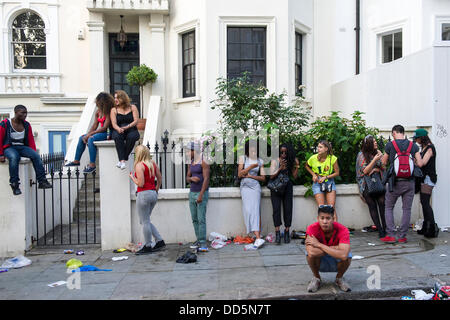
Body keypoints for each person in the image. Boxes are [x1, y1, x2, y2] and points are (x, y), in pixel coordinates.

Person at [380, 125, 424, 244]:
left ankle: (390, 235)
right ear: (403, 132)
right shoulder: (413, 145)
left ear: (394, 133)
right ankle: (402, 236)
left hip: (394, 182)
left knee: (388, 207)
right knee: (407, 209)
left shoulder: (390, 145)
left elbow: (383, 163)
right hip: (409, 182)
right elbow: (420, 163)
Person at [0, 105, 52, 195]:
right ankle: (14, 184)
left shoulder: (26, 124)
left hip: (22, 147)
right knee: (14, 157)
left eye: (26, 113)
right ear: (16, 112)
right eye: (22, 112)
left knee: (36, 156)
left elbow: (31, 140)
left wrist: (33, 152)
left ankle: (42, 181)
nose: (25, 115)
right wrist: (1, 154)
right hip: (9, 147)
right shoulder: (5, 123)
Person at [305, 205, 352, 293]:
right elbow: (311, 252)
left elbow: (343, 255)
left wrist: (319, 245)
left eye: (328, 218)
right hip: (320, 260)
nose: (325, 221)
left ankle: (339, 278)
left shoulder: (343, 229)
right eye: (322, 218)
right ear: (317, 218)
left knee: (348, 256)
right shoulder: (312, 228)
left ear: (333, 219)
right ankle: (317, 278)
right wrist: (336, 248)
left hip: (336, 260)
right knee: (309, 255)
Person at [129, 145, 165, 255]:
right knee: (146, 220)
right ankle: (159, 240)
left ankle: (148, 245)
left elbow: (141, 183)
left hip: (143, 194)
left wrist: (132, 177)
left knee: (144, 221)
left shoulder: (139, 165)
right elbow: (159, 178)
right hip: (153, 194)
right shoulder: (152, 164)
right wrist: (156, 189)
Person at [65, 92, 114, 173]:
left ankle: (92, 165)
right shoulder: (98, 112)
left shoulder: (108, 112)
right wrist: (87, 135)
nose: (96, 104)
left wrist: (90, 135)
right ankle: (76, 161)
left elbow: (104, 127)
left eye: (98, 102)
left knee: (91, 139)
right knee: (81, 138)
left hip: (108, 133)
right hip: (101, 133)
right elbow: (94, 125)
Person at [355, 135, 387, 238]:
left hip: (377, 182)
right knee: (372, 205)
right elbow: (364, 171)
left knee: (382, 203)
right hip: (366, 184)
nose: (376, 143)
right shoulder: (361, 155)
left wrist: (379, 161)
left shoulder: (377, 153)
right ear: (368, 144)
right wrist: (374, 161)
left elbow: (383, 168)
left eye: (376, 141)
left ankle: (385, 228)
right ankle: (380, 230)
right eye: (374, 142)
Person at [269, 143, 299, 244]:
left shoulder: (290, 161)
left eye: (285, 152)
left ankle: (286, 232)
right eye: (281, 152)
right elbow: (271, 176)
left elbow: (294, 177)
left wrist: (297, 166)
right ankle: (277, 233)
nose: (283, 154)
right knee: (276, 209)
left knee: (288, 209)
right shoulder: (275, 161)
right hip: (276, 188)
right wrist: (280, 168)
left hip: (287, 187)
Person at [305, 140, 340, 221]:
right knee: (321, 207)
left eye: (320, 147)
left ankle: (335, 230)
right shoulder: (313, 158)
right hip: (317, 183)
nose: (318, 149)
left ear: (326, 149)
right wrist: (313, 174)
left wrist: (326, 177)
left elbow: (337, 173)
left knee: (331, 208)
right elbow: (306, 165)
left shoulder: (333, 159)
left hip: (329, 182)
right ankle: (322, 231)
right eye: (318, 147)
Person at [238, 140, 266, 240]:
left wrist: (251, 176)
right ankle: (253, 233)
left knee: (255, 210)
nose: (253, 150)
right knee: (248, 210)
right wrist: (250, 167)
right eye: (250, 148)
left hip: (255, 188)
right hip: (245, 187)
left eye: (254, 148)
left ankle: (258, 236)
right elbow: (240, 174)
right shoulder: (243, 159)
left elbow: (263, 178)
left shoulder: (260, 161)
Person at [413, 128, 438, 238]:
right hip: (424, 179)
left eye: (416, 138)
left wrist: (416, 155)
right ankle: (426, 227)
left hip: (428, 178)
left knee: (426, 203)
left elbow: (422, 163)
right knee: (424, 203)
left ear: (421, 138)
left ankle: (432, 228)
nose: (416, 141)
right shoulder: (424, 148)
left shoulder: (430, 148)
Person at [186, 142, 210, 250]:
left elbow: (206, 179)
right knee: (194, 219)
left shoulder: (204, 162)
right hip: (192, 192)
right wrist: (191, 179)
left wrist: (201, 195)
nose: (187, 153)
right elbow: (187, 177)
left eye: (188, 151)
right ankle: (198, 240)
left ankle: (203, 242)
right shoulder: (191, 162)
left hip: (201, 193)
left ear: (194, 151)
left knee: (201, 219)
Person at [110, 90, 140, 170]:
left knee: (132, 137)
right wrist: (118, 129)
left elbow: (136, 120)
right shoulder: (113, 110)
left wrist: (127, 126)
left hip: (131, 128)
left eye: (117, 98)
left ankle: (122, 159)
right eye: (115, 98)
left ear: (123, 98)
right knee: (117, 136)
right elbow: (114, 123)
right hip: (119, 129)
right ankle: (122, 160)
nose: (115, 100)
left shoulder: (132, 107)